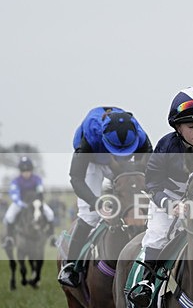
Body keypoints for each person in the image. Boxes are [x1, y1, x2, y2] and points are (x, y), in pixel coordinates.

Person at [126, 87, 193, 308]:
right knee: (156, 236)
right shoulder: (165, 146)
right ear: (178, 127)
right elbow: (152, 182)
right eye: (191, 126)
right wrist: (169, 204)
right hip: (169, 199)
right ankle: (146, 284)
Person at [57, 107, 153, 288]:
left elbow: (150, 171)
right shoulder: (89, 138)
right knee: (90, 215)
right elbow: (76, 178)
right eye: (117, 150)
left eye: (125, 150)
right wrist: (95, 202)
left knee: (140, 207)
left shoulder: (141, 137)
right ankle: (71, 266)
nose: (121, 155)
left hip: (124, 166)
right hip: (94, 162)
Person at [2, 156, 55, 247]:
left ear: (31, 170)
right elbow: (14, 194)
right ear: (20, 171)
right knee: (9, 216)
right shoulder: (16, 181)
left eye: (28, 171)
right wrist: (21, 204)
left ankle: (52, 237)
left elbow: (40, 190)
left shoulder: (37, 179)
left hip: (35, 203)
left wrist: (39, 200)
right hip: (21, 203)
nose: (26, 173)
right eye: (23, 171)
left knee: (50, 213)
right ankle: (9, 239)